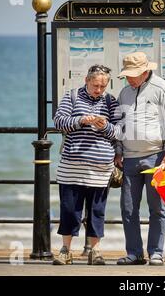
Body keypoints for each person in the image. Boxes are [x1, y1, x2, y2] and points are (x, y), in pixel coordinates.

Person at [114, 52, 165, 266]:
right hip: (129, 159)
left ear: (145, 72)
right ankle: (134, 253)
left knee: (157, 208)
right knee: (128, 208)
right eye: (127, 75)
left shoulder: (163, 89)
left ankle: (156, 252)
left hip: (157, 157)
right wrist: (118, 150)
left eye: (132, 75)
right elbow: (119, 123)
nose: (129, 79)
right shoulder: (124, 92)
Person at [52, 64, 120, 265]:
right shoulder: (71, 97)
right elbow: (59, 121)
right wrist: (81, 120)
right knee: (70, 210)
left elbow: (119, 132)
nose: (98, 90)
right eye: (95, 85)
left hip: (100, 169)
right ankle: (65, 250)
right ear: (86, 81)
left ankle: (95, 251)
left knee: (97, 211)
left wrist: (104, 126)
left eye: (102, 86)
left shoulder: (110, 102)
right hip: (72, 167)